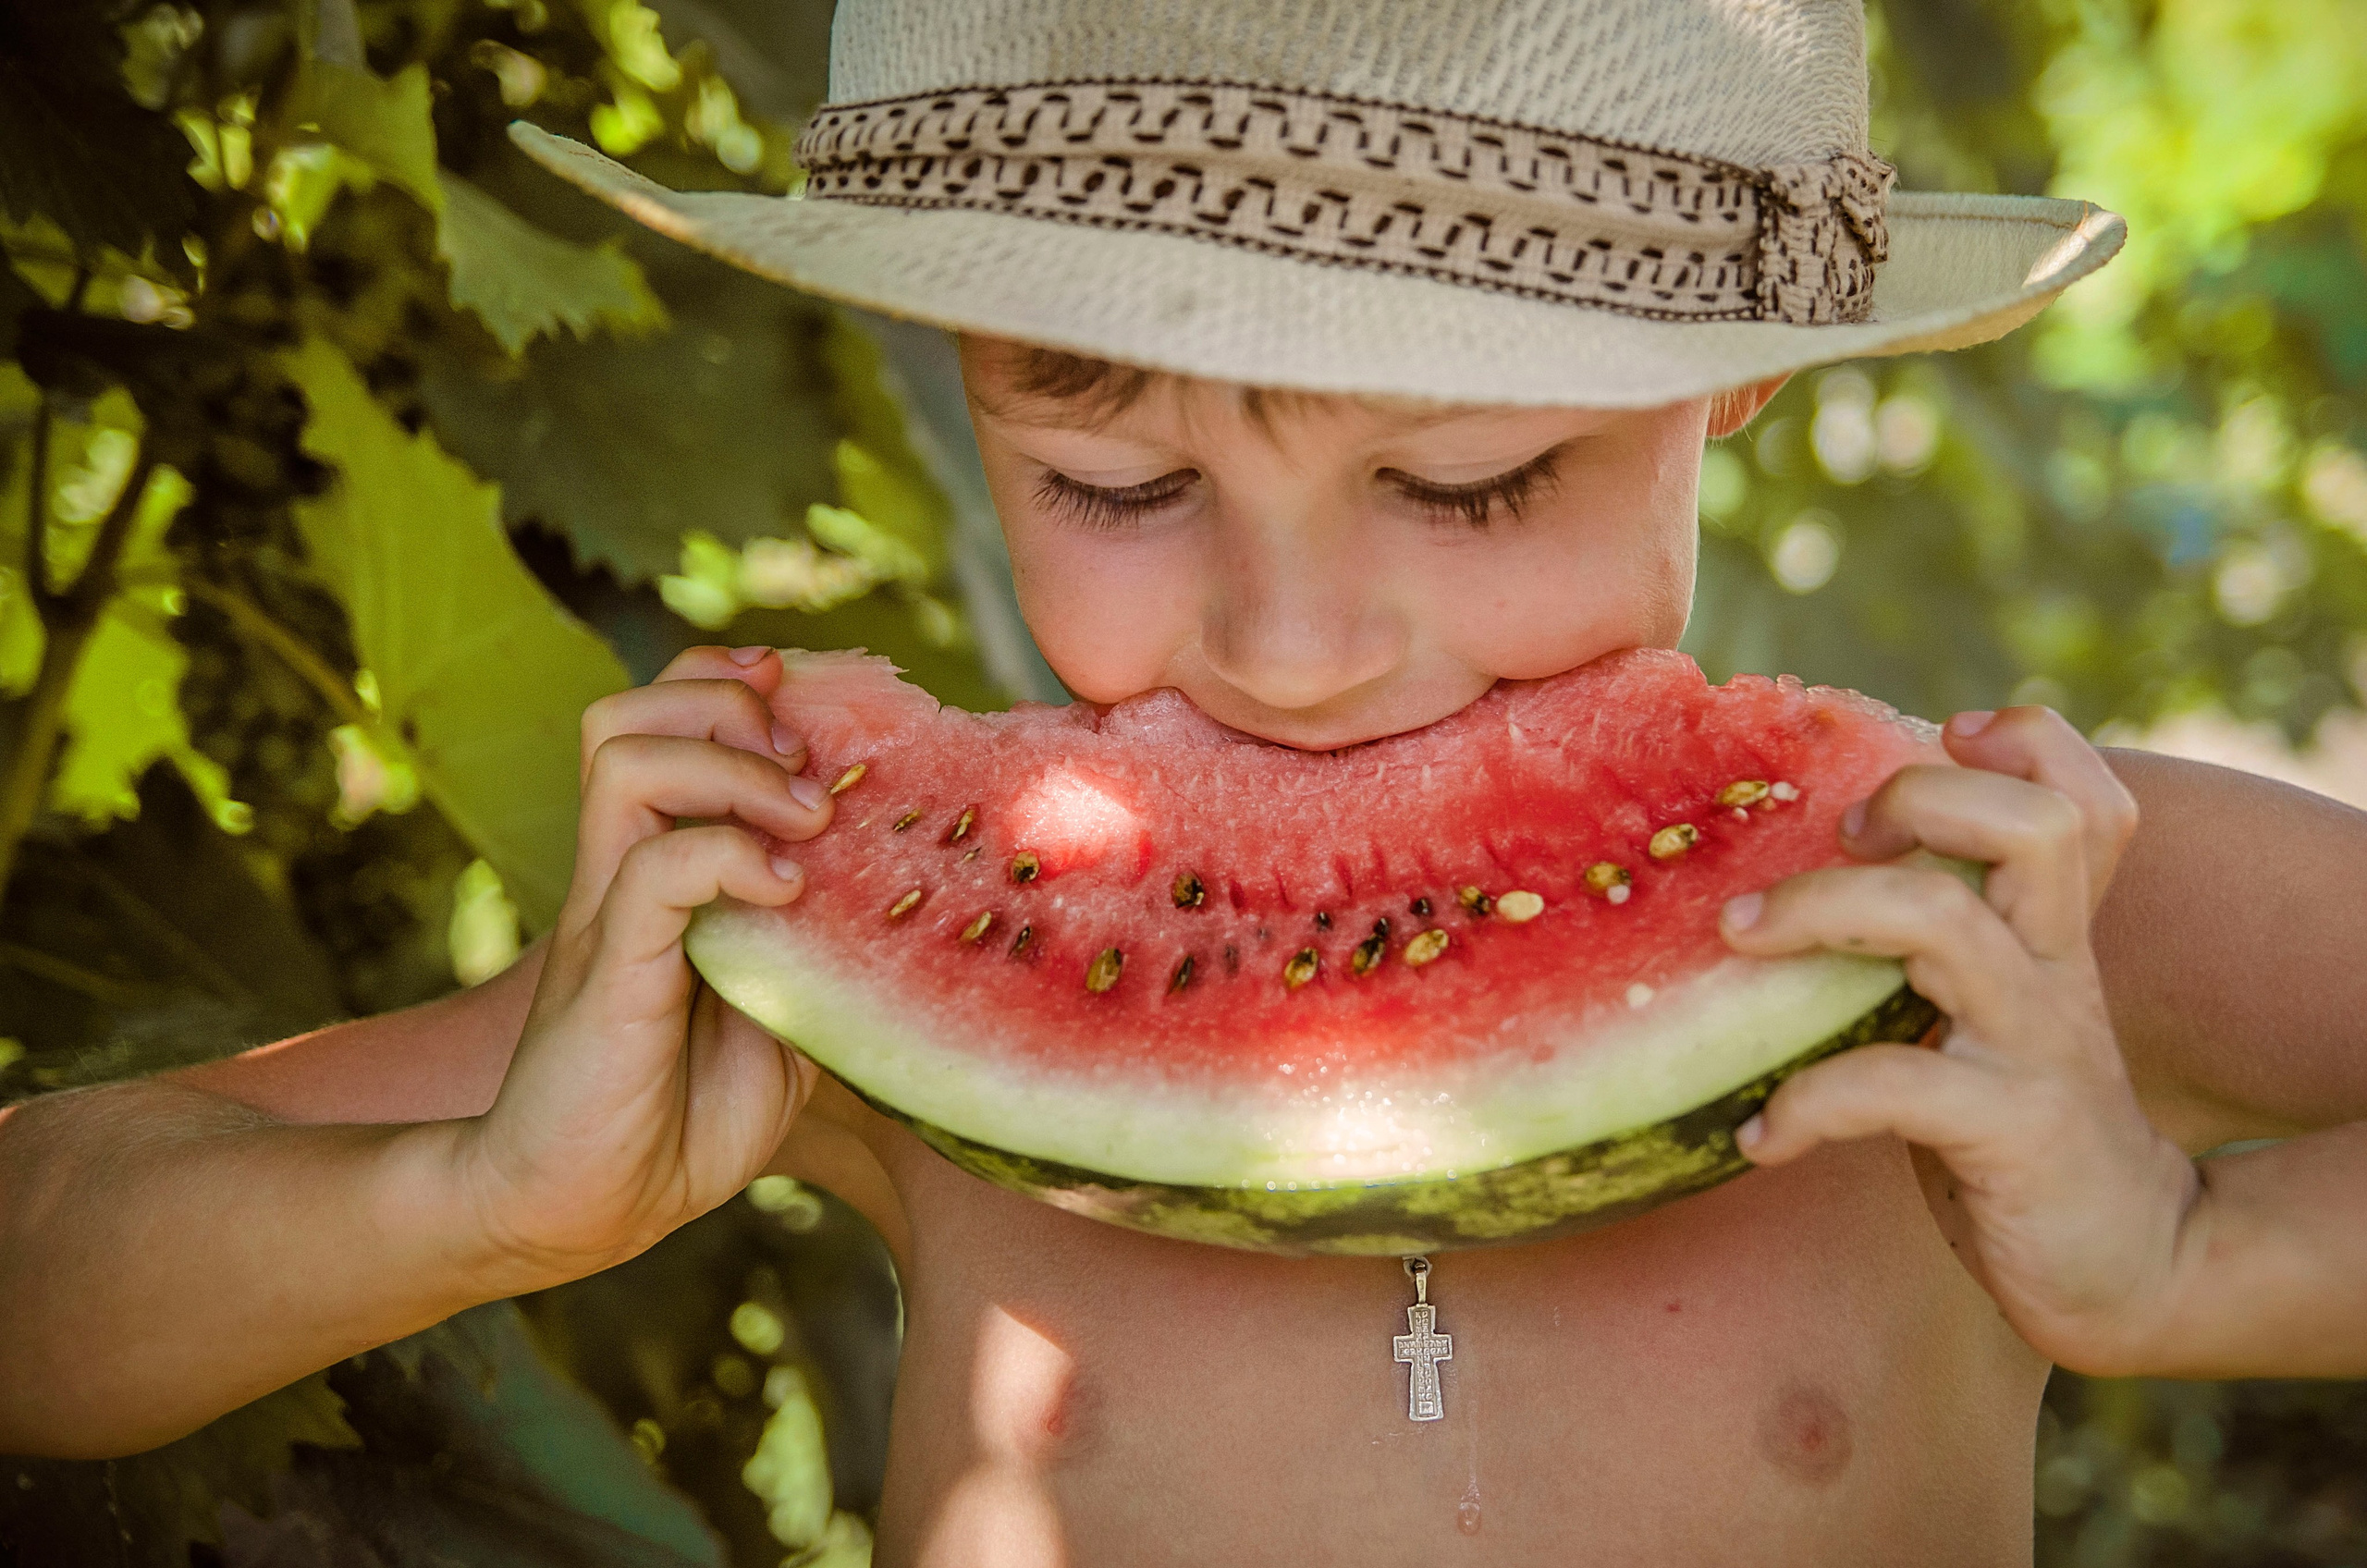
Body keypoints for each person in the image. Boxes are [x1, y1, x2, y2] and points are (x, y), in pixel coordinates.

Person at [6, 1, 2367, 1562]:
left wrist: (2191, 1255)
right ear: (962, 374)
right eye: (1113, 485)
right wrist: (490, 1194)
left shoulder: (1985, 917)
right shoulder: (844, 980)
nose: (1288, 651)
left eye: (1465, 488)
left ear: (1730, 381)